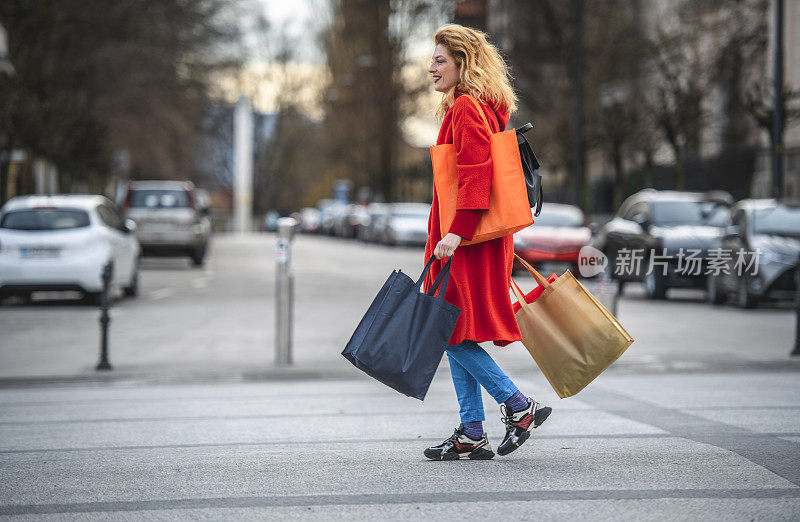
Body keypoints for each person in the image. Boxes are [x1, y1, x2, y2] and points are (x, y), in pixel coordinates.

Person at [422, 24, 551, 461]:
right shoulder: (480, 107)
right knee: (456, 328)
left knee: (450, 330)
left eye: (440, 60)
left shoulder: (466, 108)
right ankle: (471, 432)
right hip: (472, 239)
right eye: (433, 60)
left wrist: (455, 232)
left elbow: (477, 175)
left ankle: (518, 405)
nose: (432, 68)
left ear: (463, 62)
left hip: (464, 241)